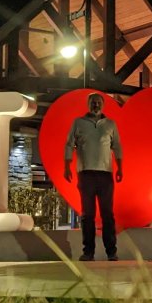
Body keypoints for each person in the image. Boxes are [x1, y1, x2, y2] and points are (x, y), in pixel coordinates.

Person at [64, 93, 123, 261]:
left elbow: (117, 146)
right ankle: (88, 252)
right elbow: (69, 144)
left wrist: (120, 168)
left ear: (102, 105)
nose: (96, 105)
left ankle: (111, 251)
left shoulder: (110, 124)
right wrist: (66, 166)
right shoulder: (78, 123)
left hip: (105, 174)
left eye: (98, 102)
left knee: (107, 215)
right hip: (86, 173)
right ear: (88, 104)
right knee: (87, 215)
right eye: (93, 102)